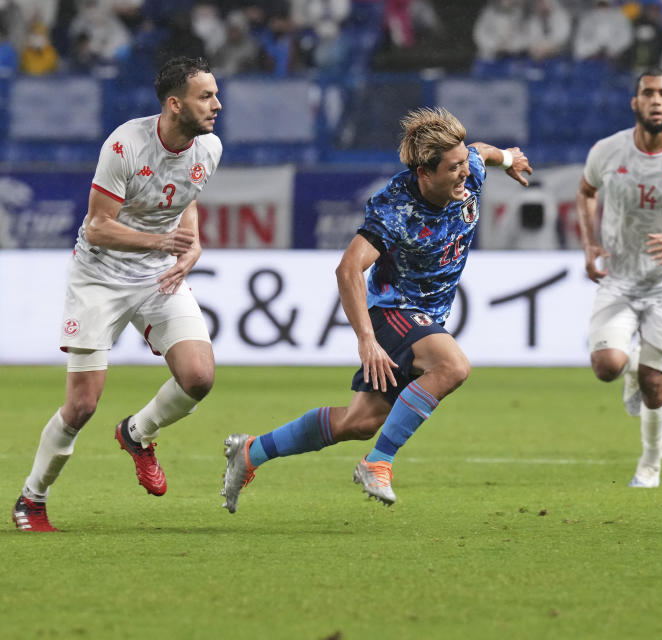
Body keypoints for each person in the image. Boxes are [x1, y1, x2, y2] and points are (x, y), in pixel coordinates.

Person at [220, 107, 532, 512]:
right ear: (424, 172)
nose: (464, 174)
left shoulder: (468, 168)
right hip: (391, 311)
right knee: (452, 366)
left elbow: (480, 151)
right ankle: (378, 463)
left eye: (463, 165)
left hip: (427, 317)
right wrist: (366, 340)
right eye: (453, 168)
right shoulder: (395, 207)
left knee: (360, 423)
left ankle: (251, 452)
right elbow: (348, 268)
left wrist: (508, 158)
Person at [11, 57, 223, 532]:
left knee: (199, 377)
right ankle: (32, 498)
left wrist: (192, 245)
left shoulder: (208, 148)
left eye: (214, 94)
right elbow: (98, 226)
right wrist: (162, 243)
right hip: (99, 276)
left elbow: (184, 201)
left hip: (158, 277)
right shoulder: (125, 144)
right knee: (83, 404)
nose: (217, 104)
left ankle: (137, 433)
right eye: (205, 96)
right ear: (174, 104)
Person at [576, 69, 662, 489]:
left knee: (657, 380)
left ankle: (650, 465)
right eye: (647, 93)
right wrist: (589, 244)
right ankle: (630, 368)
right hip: (620, 277)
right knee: (606, 367)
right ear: (634, 103)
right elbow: (585, 192)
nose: (656, 100)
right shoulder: (607, 151)